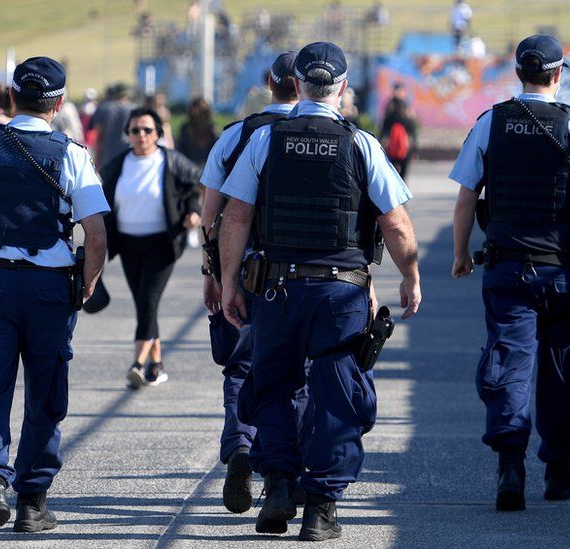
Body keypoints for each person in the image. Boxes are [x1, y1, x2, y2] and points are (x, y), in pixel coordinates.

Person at [218, 42, 421, 540]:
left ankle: (281, 484)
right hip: (340, 295)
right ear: (344, 88)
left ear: (298, 84)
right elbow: (395, 223)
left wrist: (226, 283)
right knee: (335, 394)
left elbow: (237, 215)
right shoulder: (361, 143)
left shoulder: (265, 140)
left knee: (273, 386)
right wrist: (411, 278)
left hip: (277, 288)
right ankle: (321, 509)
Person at [0, 57, 109, 543]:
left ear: (11, 97)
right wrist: (87, 285)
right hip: (51, 288)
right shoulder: (72, 153)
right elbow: (96, 236)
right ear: (59, 102)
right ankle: (33, 501)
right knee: (46, 393)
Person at [449, 35, 570, 512]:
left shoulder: (490, 122)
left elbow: (466, 197)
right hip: (559, 274)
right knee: (559, 369)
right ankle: (559, 473)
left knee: (509, 366)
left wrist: (460, 253)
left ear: (518, 71)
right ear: (559, 73)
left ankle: (511, 467)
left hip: (506, 269)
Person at [199, 51, 305, 515]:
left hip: (241, 269)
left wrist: (213, 275)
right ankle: (286, 473)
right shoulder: (332, 135)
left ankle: (241, 447)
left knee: (241, 367)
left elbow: (211, 215)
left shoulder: (235, 135)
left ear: (270, 83)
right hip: (304, 274)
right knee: (297, 374)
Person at [100, 107, 202, 388]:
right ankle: (157, 363)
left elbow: (194, 186)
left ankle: (137, 364)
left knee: (148, 301)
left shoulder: (170, 161)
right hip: (129, 243)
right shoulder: (117, 165)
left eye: (147, 129)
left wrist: (193, 212)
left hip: (162, 243)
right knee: (145, 305)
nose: (141, 135)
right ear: (128, 135)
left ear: (158, 133)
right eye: (135, 130)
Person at [89, 83, 135, 168]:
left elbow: (98, 136)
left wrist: (96, 159)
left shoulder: (103, 108)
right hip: (128, 156)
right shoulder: (134, 109)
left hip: (106, 157)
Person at [380, 95, 417, 179]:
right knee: (403, 176)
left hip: (390, 150)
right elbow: (413, 136)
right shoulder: (408, 120)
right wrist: (415, 151)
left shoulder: (389, 119)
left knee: (391, 174)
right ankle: (402, 189)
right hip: (406, 150)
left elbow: (382, 134)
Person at [176, 97, 218, 168]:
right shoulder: (185, 128)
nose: (197, 113)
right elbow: (181, 151)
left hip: (207, 168)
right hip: (188, 168)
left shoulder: (212, 129)